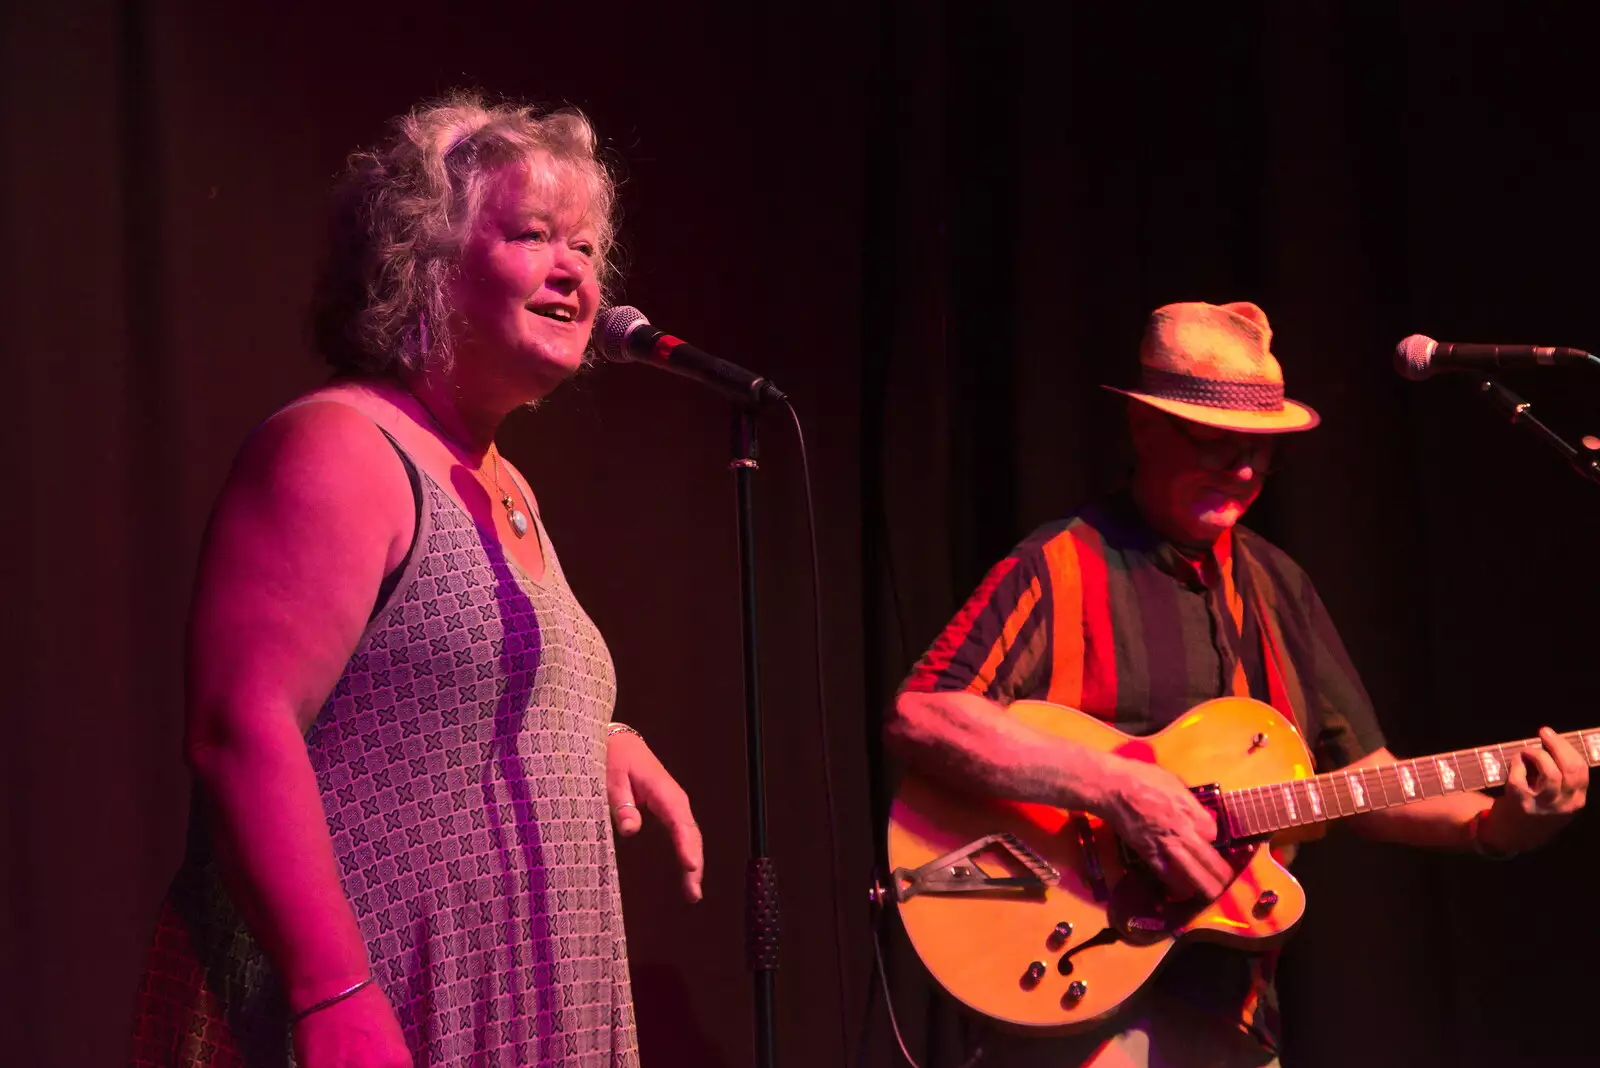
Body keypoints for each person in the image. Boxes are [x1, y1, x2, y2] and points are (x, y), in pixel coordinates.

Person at [129, 91, 702, 1067]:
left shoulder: (504, 485)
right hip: (379, 1011)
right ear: (425, 259)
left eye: (589, 250)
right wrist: (332, 993)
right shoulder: (342, 446)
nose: (576, 272)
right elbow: (239, 727)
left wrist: (591, 730)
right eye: (534, 235)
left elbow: (421, 685)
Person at [885, 300, 1588, 1067]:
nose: (1248, 470)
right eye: (1219, 445)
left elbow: (1366, 783)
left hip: (1235, 1014)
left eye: (1263, 452)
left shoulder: (1279, 586)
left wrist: (1506, 825)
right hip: (1073, 988)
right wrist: (1116, 788)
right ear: (1145, 428)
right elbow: (923, 716)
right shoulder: (1060, 566)